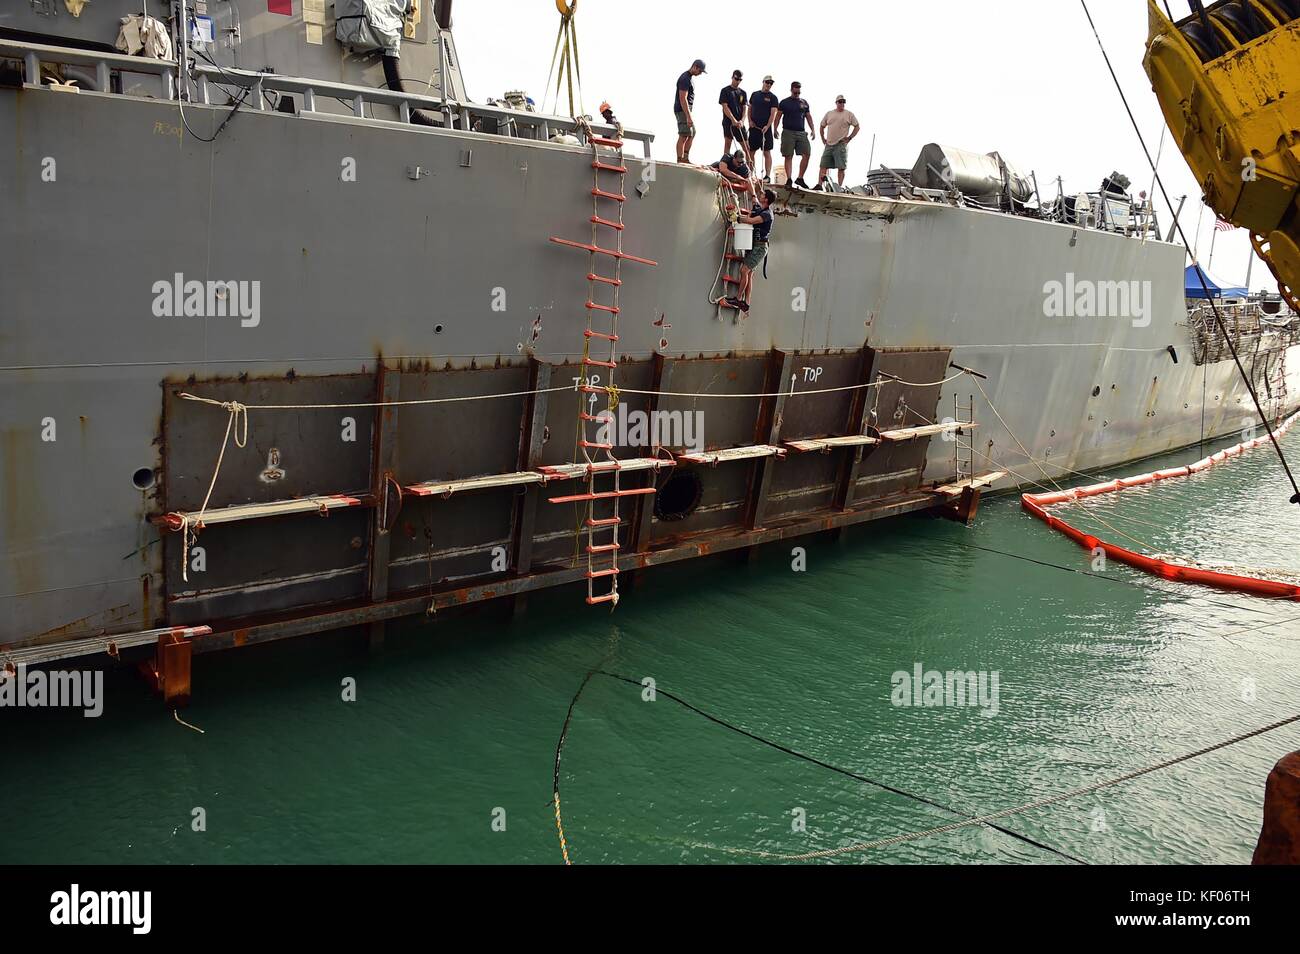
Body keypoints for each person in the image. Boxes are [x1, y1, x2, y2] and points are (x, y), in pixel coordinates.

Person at [726, 188, 776, 313]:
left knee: (744, 270)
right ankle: (746, 303)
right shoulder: (761, 209)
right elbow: (754, 202)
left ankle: (738, 299)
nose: (761, 195)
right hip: (755, 245)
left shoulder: (766, 214)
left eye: (763, 194)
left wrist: (736, 217)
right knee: (749, 274)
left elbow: (751, 221)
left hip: (760, 247)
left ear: (766, 199)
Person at [775, 81, 816, 189]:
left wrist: (813, 129)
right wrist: (774, 129)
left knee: (807, 153)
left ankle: (800, 178)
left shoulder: (804, 102)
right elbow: (778, 116)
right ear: (792, 89)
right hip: (788, 131)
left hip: (801, 132)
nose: (797, 91)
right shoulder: (784, 102)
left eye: (799, 89)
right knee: (788, 155)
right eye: (796, 89)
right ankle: (789, 179)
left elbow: (808, 116)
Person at [817, 95, 860, 188]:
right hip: (829, 144)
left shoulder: (849, 114)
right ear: (836, 103)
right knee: (823, 165)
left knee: (841, 167)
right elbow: (821, 126)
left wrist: (849, 137)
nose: (842, 104)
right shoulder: (829, 113)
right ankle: (819, 185)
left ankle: (839, 187)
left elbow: (857, 126)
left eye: (843, 102)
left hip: (840, 144)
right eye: (840, 102)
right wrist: (822, 138)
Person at [747, 75, 779, 182]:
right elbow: (749, 108)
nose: (769, 85)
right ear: (763, 82)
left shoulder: (773, 97)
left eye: (771, 83)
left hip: (766, 129)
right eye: (767, 82)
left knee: (767, 152)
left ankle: (767, 176)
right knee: (751, 151)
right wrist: (750, 121)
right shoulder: (755, 94)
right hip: (754, 128)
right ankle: (751, 173)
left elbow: (773, 113)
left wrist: (768, 125)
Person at [674, 59, 706, 163]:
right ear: (695, 67)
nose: (700, 74)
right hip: (682, 109)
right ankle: (680, 159)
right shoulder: (685, 78)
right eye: (700, 71)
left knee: (692, 133)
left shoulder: (689, 78)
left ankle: (685, 158)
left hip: (686, 110)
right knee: (683, 134)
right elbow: (683, 98)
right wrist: (688, 115)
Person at [719, 69, 750, 164]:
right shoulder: (725, 90)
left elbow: (745, 108)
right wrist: (733, 120)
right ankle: (724, 166)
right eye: (736, 79)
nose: (737, 81)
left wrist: (742, 120)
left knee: (747, 148)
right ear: (732, 77)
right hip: (729, 122)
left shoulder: (743, 93)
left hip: (740, 124)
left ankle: (749, 171)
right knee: (728, 145)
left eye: (739, 79)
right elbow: (725, 106)